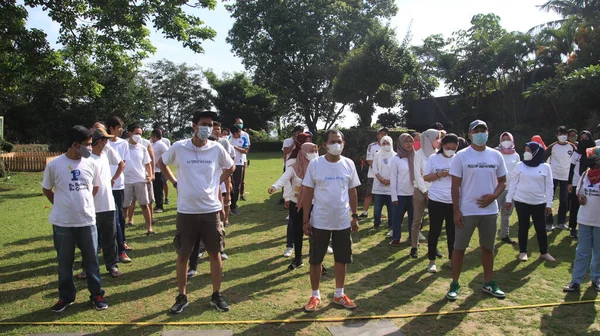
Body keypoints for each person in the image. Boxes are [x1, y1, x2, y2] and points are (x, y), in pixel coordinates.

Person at [159, 109, 235, 314]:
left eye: (210, 125)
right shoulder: (179, 147)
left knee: (215, 254)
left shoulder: (217, 148)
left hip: (211, 210)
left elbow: (231, 167)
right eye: (204, 124)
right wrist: (175, 182)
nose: (208, 128)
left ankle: (216, 295)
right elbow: (161, 163)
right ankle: (182, 296)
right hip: (186, 211)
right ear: (194, 125)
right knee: (183, 255)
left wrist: (215, 184)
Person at [42, 125, 108, 312]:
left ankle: (97, 295)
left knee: (92, 262)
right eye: (86, 144)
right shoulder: (54, 165)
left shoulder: (91, 163)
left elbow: (94, 188)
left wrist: (83, 204)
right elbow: (47, 189)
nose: (90, 148)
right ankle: (66, 297)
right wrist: (61, 204)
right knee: (65, 263)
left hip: (87, 221)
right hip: (63, 223)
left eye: (90, 144)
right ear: (74, 144)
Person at [447, 120, 508, 301]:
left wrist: (493, 196)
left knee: (488, 248)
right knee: (459, 249)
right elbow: (455, 186)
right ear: (470, 134)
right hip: (467, 211)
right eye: (477, 131)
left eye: (483, 130)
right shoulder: (461, 156)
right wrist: (456, 211)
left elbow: (503, 181)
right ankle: (455, 284)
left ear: (488, 133)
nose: (480, 133)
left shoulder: (496, 156)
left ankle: (488, 283)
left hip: (489, 211)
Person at [301, 129, 360, 312]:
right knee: (316, 260)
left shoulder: (349, 164)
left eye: (340, 141)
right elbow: (307, 192)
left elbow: (352, 191)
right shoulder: (315, 165)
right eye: (333, 141)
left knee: (341, 258)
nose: (337, 145)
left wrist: (355, 216)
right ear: (325, 144)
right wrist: (305, 220)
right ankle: (315, 295)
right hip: (320, 220)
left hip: (342, 221)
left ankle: (339, 294)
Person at [77, 127, 126, 279]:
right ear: (99, 142)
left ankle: (112, 265)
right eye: (106, 140)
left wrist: (113, 180)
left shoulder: (104, 156)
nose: (108, 142)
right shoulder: (86, 160)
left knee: (110, 238)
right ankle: (87, 268)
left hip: (109, 205)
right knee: (90, 241)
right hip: (92, 207)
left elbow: (121, 163)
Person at [269, 142, 319, 270]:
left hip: (314, 204)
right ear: (303, 153)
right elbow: (284, 178)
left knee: (315, 233)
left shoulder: (318, 168)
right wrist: (274, 187)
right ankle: (298, 259)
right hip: (296, 204)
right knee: (297, 232)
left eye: (315, 151)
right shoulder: (293, 167)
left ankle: (317, 261)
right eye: (311, 151)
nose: (314, 154)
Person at [506, 142, 555, 262]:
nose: (526, 153)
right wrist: (508, 199)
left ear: (536, 152)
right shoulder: (520, 165)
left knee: (540, 227)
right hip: (521, 201)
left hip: (539, 202)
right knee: (523, 226)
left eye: (529, 150)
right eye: (525, 150)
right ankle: (523, 251)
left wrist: (549, 204)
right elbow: (513, 183)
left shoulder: (545, 167)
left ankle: (544, 252)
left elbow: (549, 186)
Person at [563, 146, 600, 292]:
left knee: (598, 253)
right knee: (582, 252)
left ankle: (596, 279)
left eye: (592, 157)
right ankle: (575, 282)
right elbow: (580, 194)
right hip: (584, 219)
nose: (588, 160)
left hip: (599, 222)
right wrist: (581, 198)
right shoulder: (585, 174)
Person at [423, 134, 459, 273]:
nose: (450, 150)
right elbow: (426, 177)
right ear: (442, 145)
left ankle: (452, 259)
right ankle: (431, 260)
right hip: (436, 199)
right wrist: (439, 174)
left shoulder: (458, 159)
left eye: (453, 148)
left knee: (452, 232)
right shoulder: (434, 158)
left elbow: (464, 178)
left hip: (453, 200)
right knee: (434, 230)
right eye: (447, 147)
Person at [105, 116, 132, 262]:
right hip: (102, 186)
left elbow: (123, 163)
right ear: (111, 129)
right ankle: (105, 245)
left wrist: (114, 179)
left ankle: (122, 244)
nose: (122, 129)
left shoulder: (123, 144)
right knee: (105, 217)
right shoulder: (102, 142)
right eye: (119, 127)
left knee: (120, 216)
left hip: (118, 184)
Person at [412, 129, 441, 257]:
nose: (439, 141)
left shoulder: (437, 154)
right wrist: (424, 191)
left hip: (434, 191)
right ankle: (414, 247)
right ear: (429, 139)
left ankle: (433, 248)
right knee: (417, 220)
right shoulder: (418, 154)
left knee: (435, 222)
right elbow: (418, 175)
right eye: (437, 138)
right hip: (420, 190)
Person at [123, 124, 154, 235]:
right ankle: (122, 231)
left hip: (140, 180)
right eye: (136, 133)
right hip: (126, 181)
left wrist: (150, 176)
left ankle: (149, 228)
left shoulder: (142, 148)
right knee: (125, 206)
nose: (139, 136)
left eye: (140, 134)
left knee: (144, 205)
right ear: (130, 133)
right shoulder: (123, 146)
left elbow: (148, 163)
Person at [545, 126, 577, 231]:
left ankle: (561, 222)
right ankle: (548, 223)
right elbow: (543, 158)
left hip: (566, 177)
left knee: (564, 200)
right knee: (550, 198)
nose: (562, 136)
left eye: (564, 134)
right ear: (556, 135)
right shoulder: (552, 147)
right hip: (553, 175)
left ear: (567, 135)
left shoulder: (572, 147)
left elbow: (577, 160)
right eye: (560, 134)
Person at [568, 131, 595, 239]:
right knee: (575, 206)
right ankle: (573, 228)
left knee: (589, 205)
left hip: (590, 183)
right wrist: (569, 182)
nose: (584, 140)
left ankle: (589, 227)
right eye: (582, 138)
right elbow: (571, 168)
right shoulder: (576, 153)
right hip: (576, 182)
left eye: (586, 138)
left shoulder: (593, 152)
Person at [389, 134, 415, 248]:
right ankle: (396, 237)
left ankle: (412, 237)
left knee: (413, 218)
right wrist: (394, 196)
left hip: (414, 193)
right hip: (400, 194)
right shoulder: (396, 159)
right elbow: (393, 178)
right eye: (406, 141)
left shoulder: (416, 156)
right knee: (397, 217)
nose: (409, 144)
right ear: (401, 143)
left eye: (411, 141)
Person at [495, 132, 520, 244]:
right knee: (494, 214)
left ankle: (505, 235)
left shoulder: (516, 155)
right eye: (503, 139)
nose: (506, 141)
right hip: (497, 188)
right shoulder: (496, 153)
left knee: (506, 213)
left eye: (508, 139)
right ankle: (490, 237)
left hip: (511, 189)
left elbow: (518, 172)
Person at [360, 127, 389, 218]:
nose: (383, 135)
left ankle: (378, 213)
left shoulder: (389, 146)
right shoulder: (372, 146)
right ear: (377, 135)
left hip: (385, 176)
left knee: (381, 195)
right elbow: (369, 160)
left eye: (385, 133)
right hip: (373, 175)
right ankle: (364, 212)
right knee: (369, 193)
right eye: (381, 133)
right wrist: (378, 172)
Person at [372, 135, 394, 231]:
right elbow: (375, 168)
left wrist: (390, 180)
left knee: (391, 207)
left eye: (387, 143)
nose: (385, 145)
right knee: (377, 207)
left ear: (391, 144)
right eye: (383, 143)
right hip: (378, 185)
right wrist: (381, 179)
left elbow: (396, 170)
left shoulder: (395, 155)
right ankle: (376, 223)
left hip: (391, 185)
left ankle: (391, 224)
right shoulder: (377, 154)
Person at [281, 126, 305, 204]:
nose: (298, 135)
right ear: (294, 133)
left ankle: (296, 200)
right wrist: (294, 142)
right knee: (287, 182)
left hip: (299, 166)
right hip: (289, 165)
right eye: (297, 133)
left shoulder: (302, 141)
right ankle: (286, 199)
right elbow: (285, 151)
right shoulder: (287, 141)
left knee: (297, 184)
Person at [230, 125, 249, 216]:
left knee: (237, 185)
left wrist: (235, 147)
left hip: (239, 164)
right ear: (234, 133)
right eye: (238, 132)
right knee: (229, 185)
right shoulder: (228, 139)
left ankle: (234, 205)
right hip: (229, 164)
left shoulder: (243, 139)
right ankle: (229, 204)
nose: (240, 133)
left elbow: (245, 151)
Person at [151, 129, 169, 214]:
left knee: (158, 190)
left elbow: (168, 154)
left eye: (152, 136)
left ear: (155, 136)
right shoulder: (153, 144)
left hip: (159, 171)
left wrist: (161, 163)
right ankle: (157, 204)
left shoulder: (161, 144)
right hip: (153, 171)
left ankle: (160, 206)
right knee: (155, 189)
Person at [235, 118, 251, 201]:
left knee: (242, 178)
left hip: (242, 159)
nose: (240, 124)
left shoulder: (245, 135)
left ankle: (242, 194)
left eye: (241, 123)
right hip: (233, 160)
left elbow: (247, 147)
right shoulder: (232, 135)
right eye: (238, 123)